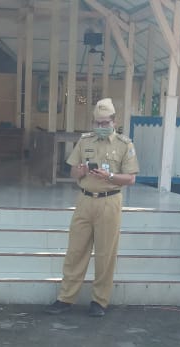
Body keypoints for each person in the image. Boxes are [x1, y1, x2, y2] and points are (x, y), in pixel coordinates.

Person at [45, 98, 139, 318]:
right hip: (85, 200)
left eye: (105, 123)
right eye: (97, 123)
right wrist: (79, 171)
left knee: (105, 253)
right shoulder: (85, 141)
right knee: (75, 251)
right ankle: (65, 298)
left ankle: (99, 301)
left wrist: (110, 176)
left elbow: (131, 179)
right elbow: (72, 172)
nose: (101, 127)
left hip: (109, 200)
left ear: (114, 122)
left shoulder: (124, 144)